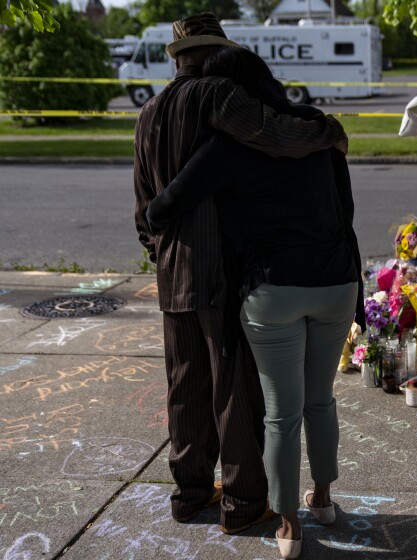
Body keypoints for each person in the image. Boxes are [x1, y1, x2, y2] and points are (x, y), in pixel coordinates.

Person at [133, 12, 348, 535]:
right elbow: (274, 134)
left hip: (172, 265)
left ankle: (188, 494)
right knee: (233, 383)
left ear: (177, 57)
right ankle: (245, 501)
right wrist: (327, 131)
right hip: (217, 265)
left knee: (184, 381)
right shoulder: (216, 96)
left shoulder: (150, 111)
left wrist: (160, 246)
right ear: (213, 55)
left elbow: (145, 201)